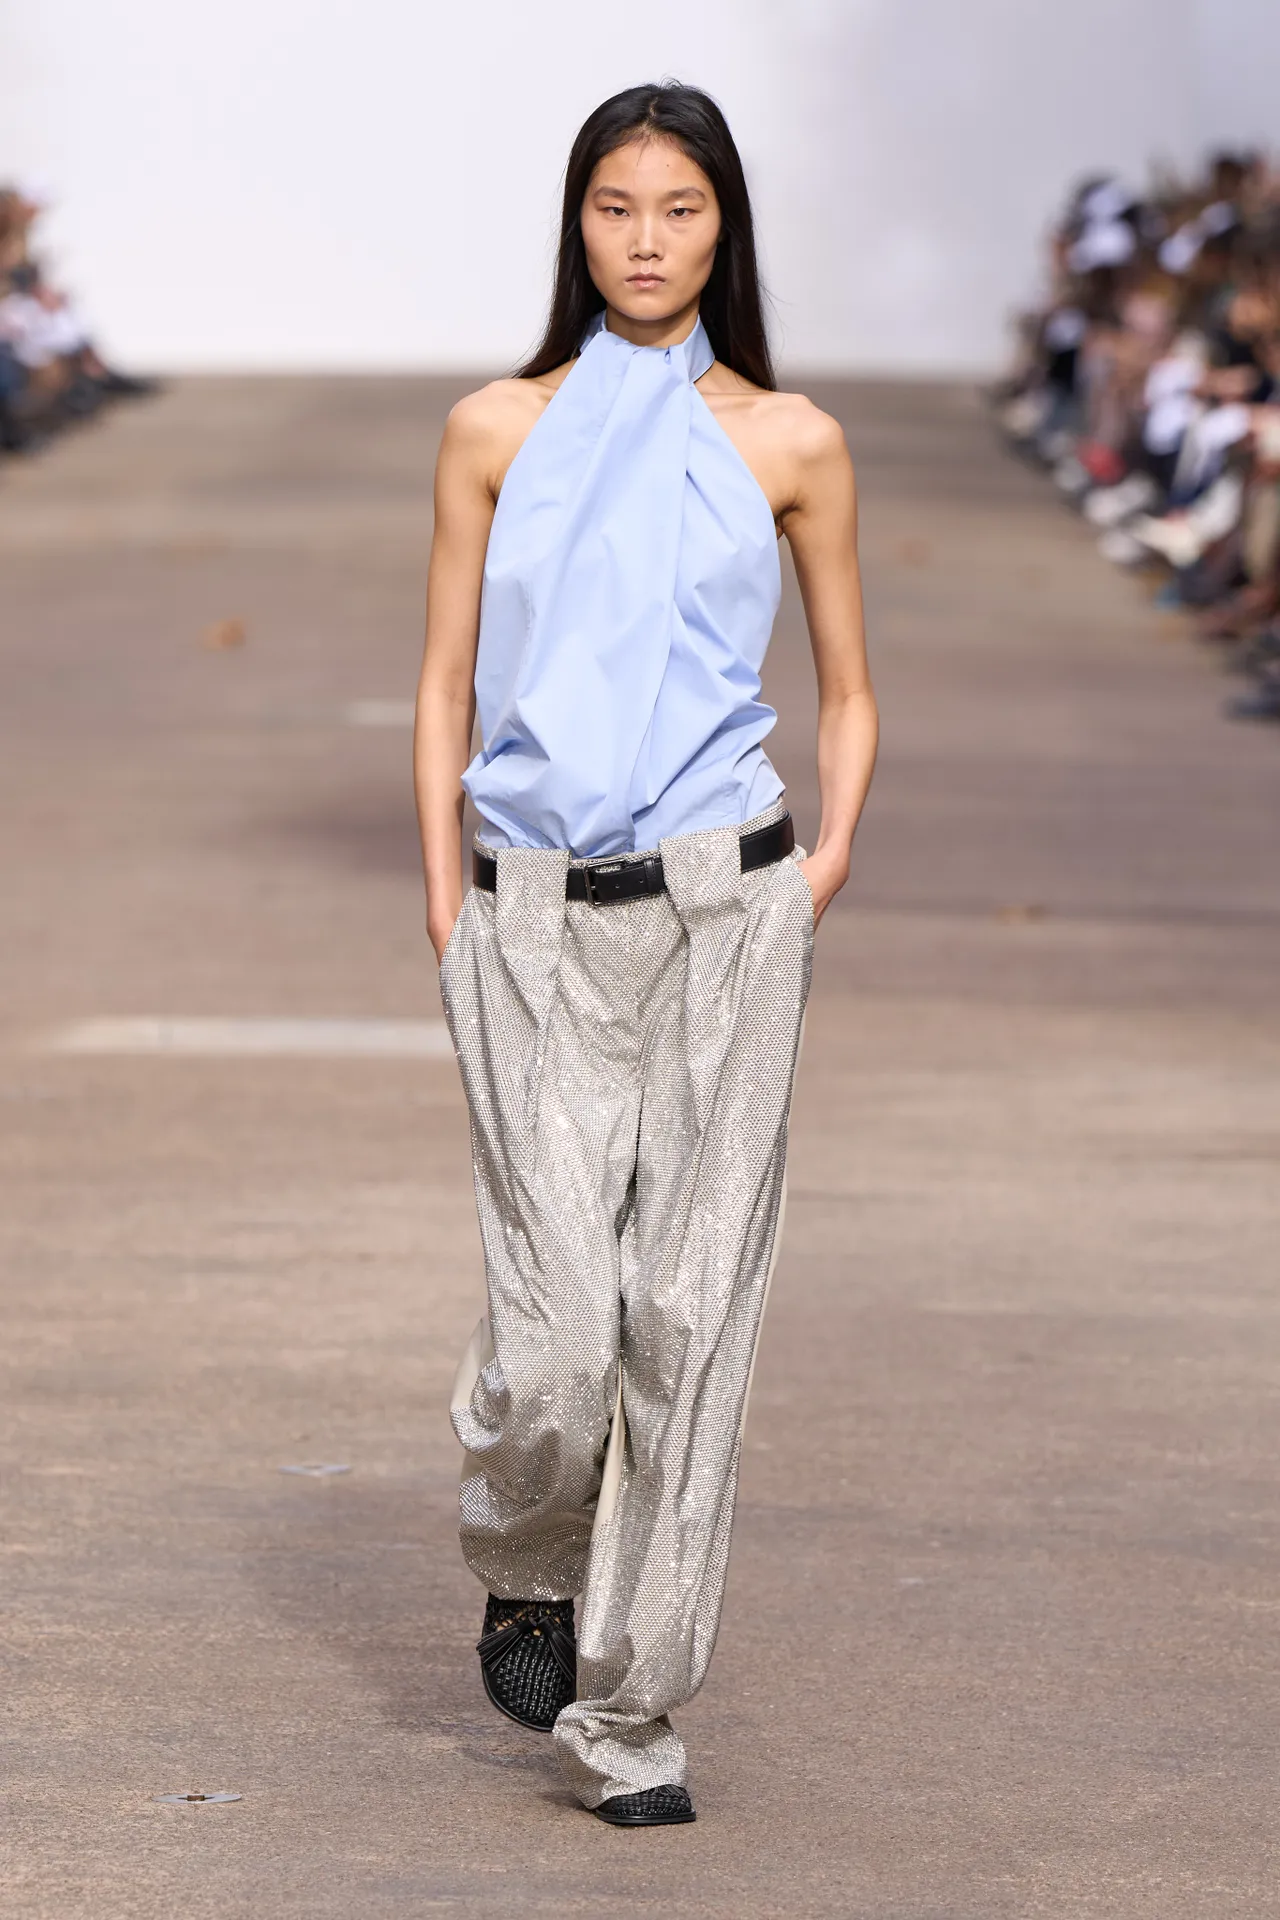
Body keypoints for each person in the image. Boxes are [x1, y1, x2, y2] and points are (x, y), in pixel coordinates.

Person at [413, 81, 877, 1827]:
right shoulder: (492, 428)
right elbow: (443, 682)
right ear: (577, 222)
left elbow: (848, 682)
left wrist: (824, 859)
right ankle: (528, 1553)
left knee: (690, 1319)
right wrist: (447, 901)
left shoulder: (793, 441)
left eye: (681, 209)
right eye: (617, 206)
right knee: (554, 1342)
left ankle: (629, 1720)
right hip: (529, 912)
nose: (647, 240)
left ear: (724, 226)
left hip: (730, 913)